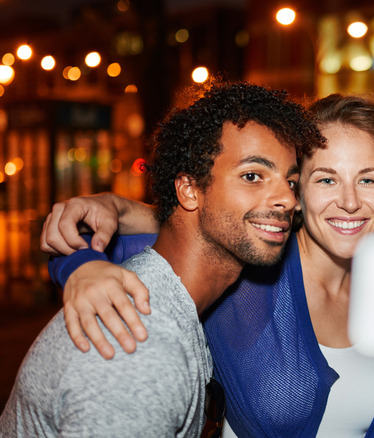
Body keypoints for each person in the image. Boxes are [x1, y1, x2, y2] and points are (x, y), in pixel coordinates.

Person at [41, 94, 374, 437]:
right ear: (300, 195)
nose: (350, 202)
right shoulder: (250, 272)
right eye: (326, 179)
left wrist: (121, 208)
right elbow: (95, 232)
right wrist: (82, 267)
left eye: (368, 179)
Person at [0, 82, 322, 436]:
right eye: (252, 176)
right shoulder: (138, 346)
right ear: (189, 190)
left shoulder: (172, 301)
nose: (288, 200)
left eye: (291, 182)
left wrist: (111, 215)